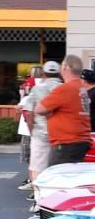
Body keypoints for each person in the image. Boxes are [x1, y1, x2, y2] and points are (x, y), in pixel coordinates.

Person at [35, 55, 92, 167]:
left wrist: (50, 112)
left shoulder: (65, 88)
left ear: (66, 67)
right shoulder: (82, 88)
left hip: (66, 143)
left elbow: (39, 109)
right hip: (81, 140)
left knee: (56, 178)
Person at [21, 61, 62, 192]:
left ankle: (39, 199)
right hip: (61, 133)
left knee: (37, 168)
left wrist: (31, 130)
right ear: (59, 73)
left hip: (41, 132)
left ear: (44, 74)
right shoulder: (64, 88)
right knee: (59, 167)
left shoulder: (37, 89)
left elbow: (28, 112)